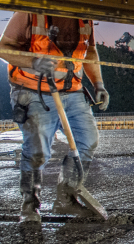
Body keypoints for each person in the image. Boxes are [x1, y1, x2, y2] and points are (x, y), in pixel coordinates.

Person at [0, 12, 110, 222]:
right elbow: (3, 47)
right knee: (37, 152)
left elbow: (90, 51)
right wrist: (33, 61)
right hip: (35, 91)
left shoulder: (84, 18)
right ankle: (29, 207)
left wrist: (98, 84)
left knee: (87, 140)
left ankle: (66, 199)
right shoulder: (29, 13)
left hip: (73, 90)